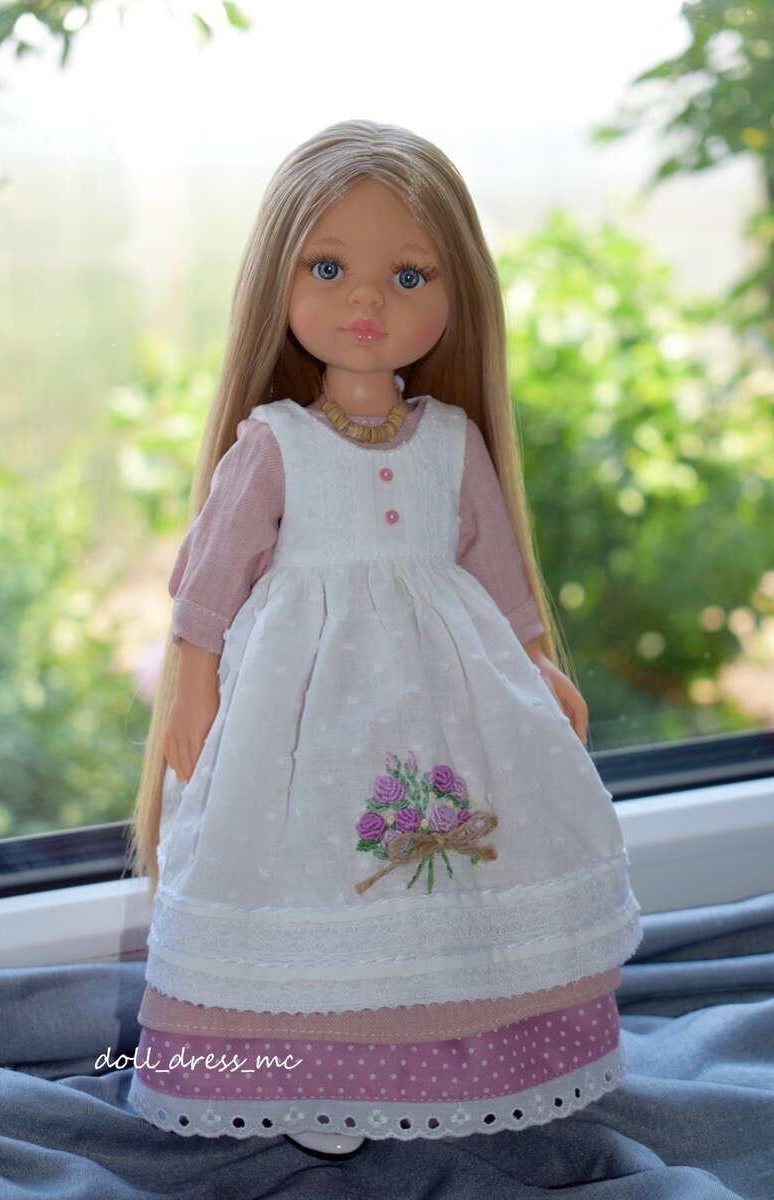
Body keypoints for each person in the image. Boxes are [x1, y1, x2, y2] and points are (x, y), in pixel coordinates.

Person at [129, 119, 641, 1155]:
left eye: (408, 276)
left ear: (457, 294)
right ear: (278, 282)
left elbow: (496, 569)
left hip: (452, 695)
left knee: (463, 881)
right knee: (304, 871)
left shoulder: (450, 440)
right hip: (302, 711)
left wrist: (536, 661)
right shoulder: (276, 443)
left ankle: (468, 1056)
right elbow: (210, 577)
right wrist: (194, 680)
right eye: (328, 269)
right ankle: (311, 1073)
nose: (366, 302)